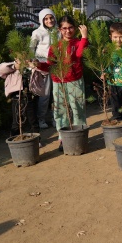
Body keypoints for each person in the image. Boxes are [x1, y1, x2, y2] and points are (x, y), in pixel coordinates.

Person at [42, 16, 89, 151]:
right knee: (60, 111)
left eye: (70, 28)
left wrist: (84, 37)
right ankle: (63, 138)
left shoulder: (78, 42)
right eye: (64, 28)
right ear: (59, 30)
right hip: (59, 81)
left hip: (75, 80)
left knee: (77, 108)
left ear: (75, 28)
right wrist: (36, 65)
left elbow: (79, 54)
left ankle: (79, 135)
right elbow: (50, 65)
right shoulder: (55, 47)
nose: (68, 31)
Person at [0, 58, 42, 137]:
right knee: (17, 120)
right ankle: (15, 138)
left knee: (33, 118)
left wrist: (35, 65)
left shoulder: (32, 64)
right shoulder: (11, 66)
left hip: (30, 94)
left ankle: (37, 139)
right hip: (16, 95)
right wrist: (14, 66)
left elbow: (44, 72)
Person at [29, 8, 56, 130]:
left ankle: (56, 117)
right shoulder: (37, 33)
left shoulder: (59, 31)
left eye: (51, 18)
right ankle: (41, 118)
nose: (49, 20)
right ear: (42, 20)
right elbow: (31, 48)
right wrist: (32, 63)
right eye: (46, 18)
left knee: (57, 93)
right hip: (42, 65)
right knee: (44, 94)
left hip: (57, 65)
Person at [106, 22, 122, 123]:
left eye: (121, 37)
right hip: (113, 83)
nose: (118, 40)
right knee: (116, 107)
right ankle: (118, 123)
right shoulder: (108, 50)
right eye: (115, 37)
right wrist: (104, 74)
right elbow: (105, 65)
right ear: (110, 37)